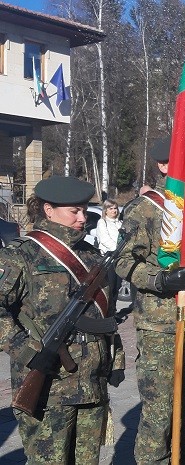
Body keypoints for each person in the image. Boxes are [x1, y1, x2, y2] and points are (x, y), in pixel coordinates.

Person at [0, 176, 125, 464]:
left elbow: (105, 315)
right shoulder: (22, 255)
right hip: (49, 387)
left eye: (84, 210)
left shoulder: (91, 256)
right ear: (48, 209)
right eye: (75, 211)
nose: (83, 218)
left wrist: (114, 359)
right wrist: (28, 352)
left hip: (92, 383)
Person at [115, 138, 185, 464]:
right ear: (163, 166)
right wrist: (160, 280)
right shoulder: (145, 208)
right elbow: (124, 261)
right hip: (160, 326)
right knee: (159, 413)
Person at [97, 198, 123, 314]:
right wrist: (118, 250)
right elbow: (105, 240)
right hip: (109, 260)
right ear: (105, 210)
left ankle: (113, 312)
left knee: (117, 287)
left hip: (119, 259)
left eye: (115, 208)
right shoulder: (102, 222)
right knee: (110, 287)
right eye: (111, 208)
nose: (114, 210)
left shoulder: (120, 223)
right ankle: (107, 313)